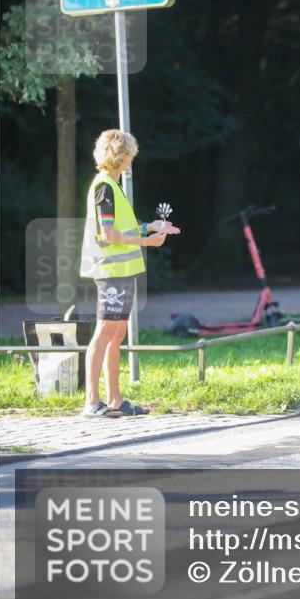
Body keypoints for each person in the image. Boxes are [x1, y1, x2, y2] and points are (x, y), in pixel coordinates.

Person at [79, 130, 180, 418]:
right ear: (118, 155)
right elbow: (108, 233)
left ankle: (115, 399)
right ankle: (92, 401)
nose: (130, 161)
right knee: (105, 332)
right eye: (128, 156)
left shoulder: (112, 184)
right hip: (111, 271)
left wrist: (151, 227)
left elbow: (124, 225)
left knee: (117, 332)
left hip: (122, 271)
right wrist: (147, 241)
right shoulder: (104, 187)